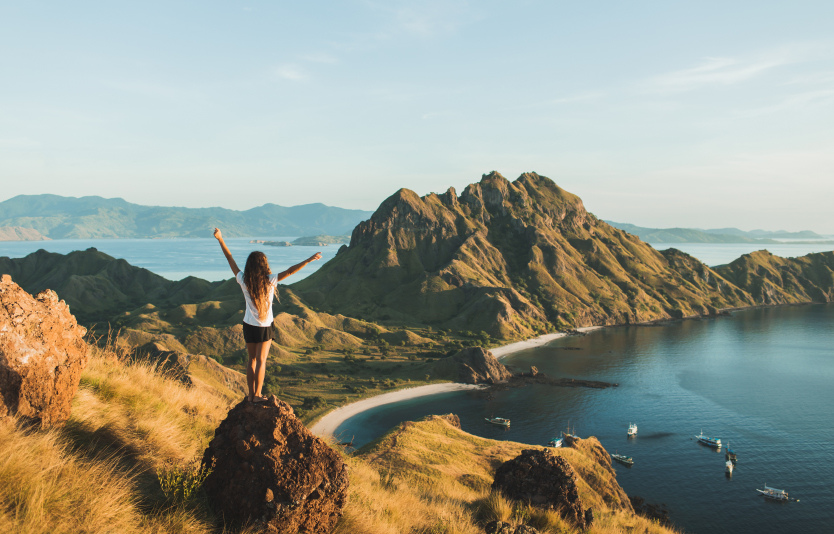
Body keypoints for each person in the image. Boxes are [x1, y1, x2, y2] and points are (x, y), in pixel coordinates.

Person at [213, 227, 322, 403]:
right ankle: (257, 395)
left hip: (248, 325)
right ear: (264, 265)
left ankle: (250, 395)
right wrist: (310, 259)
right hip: (264, 327)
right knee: (262, 361)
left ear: (249, 265)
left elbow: (229, 258)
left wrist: (220, 239)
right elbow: (291, 271)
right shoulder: (270, 280)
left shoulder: (243, 279)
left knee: (251, 361)